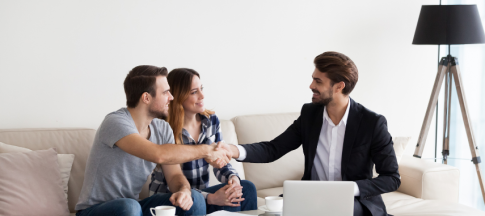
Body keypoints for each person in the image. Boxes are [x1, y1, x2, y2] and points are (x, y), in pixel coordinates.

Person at [223, 52, 401, 216]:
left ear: (339, 86)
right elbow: (273, 149)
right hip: (311, 197)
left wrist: (349, 189)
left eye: (318, 81)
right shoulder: (310, 114)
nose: (311, 86)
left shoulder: (372, 123)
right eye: (313, 79)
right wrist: (233, 150)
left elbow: (391, 178)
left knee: (336, 211)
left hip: (354, 202)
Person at [75, 65, 232, 216]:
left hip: (134, 207)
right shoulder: (116, 122)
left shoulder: (162, 128)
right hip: (94, 210)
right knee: (129, 207)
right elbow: (158, 154)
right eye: (165, 93)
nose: (171, 97)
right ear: (146, 97)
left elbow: (174, 176)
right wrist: (206, 150)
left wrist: (183, 190)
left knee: (195, 198)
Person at [149, 68, 258, 214]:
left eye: (201, 89)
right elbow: (172, 182)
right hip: (172, 198)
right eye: (194, 92)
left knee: (246, 189)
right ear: (178, 96)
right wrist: (210, 198)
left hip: (201, 194)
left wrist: (233, 180)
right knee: (207, 199)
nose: (202, 95)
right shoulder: (164, 128)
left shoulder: (211, 121)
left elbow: (221, 162)